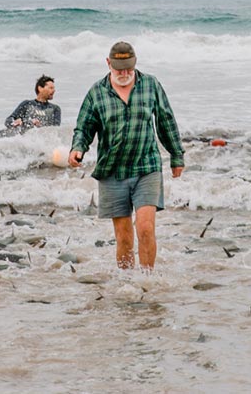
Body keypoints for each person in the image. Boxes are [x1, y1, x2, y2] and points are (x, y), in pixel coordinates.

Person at [68, 42, 184, 270]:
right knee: (123, 236)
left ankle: (147, 280)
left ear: (135, 63)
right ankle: (128, 282)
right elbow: (84, 127)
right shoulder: (96, 92)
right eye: (119, 68)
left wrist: (176, 155)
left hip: (146, 166)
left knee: (146, 228)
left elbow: (166, 121)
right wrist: (77, 148)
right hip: (112, 171)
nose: (124, 73)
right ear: (108, 63)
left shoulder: (150, 85)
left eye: (128, 68)